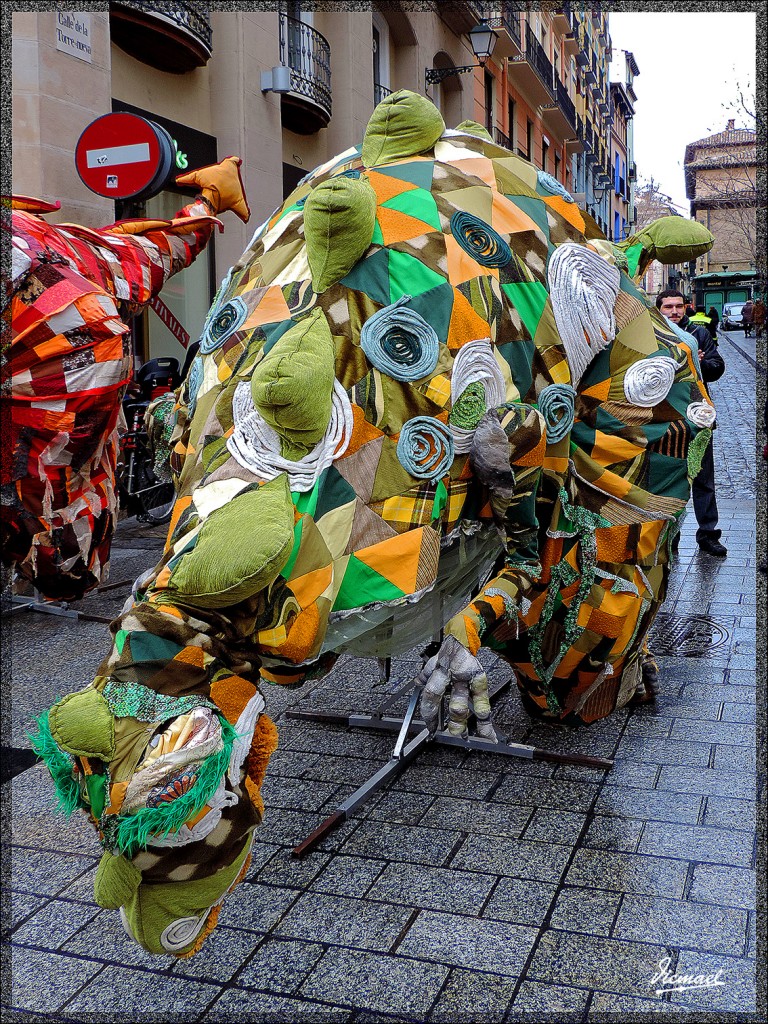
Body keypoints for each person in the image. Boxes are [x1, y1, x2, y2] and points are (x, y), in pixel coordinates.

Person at [656, 289, 727, 557]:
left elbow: (717, 366)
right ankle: (667, 536)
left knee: (703, 478)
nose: (674, 311)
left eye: (678, 306)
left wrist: (701, 364)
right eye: (668, 307)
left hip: (698, 416)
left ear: (685, 308)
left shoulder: (699, 334)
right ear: (659, 309)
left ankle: (708, 535)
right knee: (666, 477)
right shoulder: (651, 334)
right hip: (665, 418)